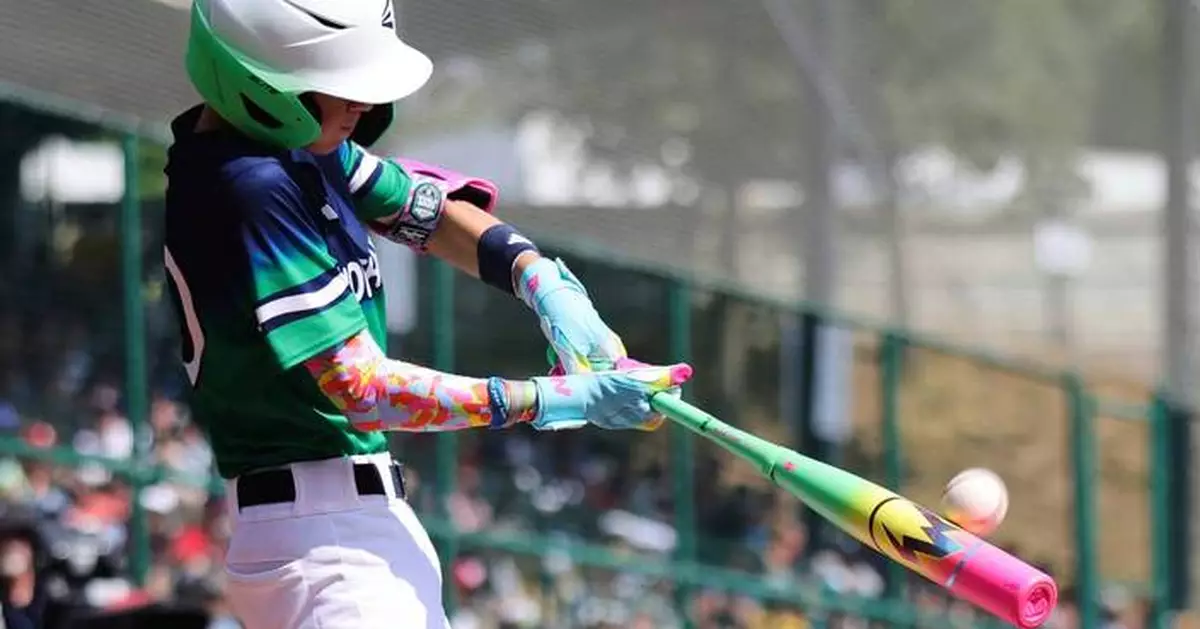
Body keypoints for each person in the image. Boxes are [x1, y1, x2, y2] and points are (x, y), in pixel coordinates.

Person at [162, 1, 693, 628]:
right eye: (339, 86)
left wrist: (541, 281)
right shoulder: (249, 184)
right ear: (258, 81)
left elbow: (425, 211)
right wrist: (553, 400)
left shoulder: (294, 150)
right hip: (326, 544)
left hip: (342, 533)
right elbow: (362, 388)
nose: (361, 106)